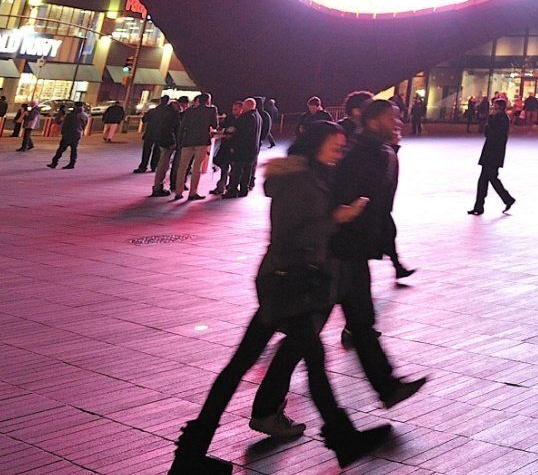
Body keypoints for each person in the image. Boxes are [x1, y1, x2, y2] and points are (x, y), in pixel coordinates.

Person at [169, 122, 394, 474]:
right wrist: (338, 217)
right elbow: (291, 234)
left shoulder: (316, 175)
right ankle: (342, 438)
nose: (339, 153)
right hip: (288, 282)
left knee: (240, 366)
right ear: (316, 145)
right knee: (311, 363)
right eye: (335, 147)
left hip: (287, 282)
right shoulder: (298, 181)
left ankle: (191, 453)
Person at [264, 98, 425, 419]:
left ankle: (387, 386)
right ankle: (268, 407)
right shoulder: (359, 155)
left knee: (362, 324)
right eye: (392, 118)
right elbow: (336, 201)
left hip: (352, 253)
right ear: (375, 121)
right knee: (305, 336)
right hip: (336, 255)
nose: (398, 124)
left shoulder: (377, 152)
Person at [467, 96, 517, 215]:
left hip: (494, 154)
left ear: (500, 108)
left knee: (491, 179)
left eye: (495, 107)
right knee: (484, 180)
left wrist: (490, 120)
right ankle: (479, 206)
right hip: (490, 153)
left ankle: (507, 199)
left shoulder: (502, 119)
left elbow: (493, 133)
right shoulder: (496, 118)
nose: (493, 109)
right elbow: (487, 133)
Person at [172, 92, 219, 200]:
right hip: (202, 141)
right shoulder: (211, 110)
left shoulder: (189, 110)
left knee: (182, 167)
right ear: (208, 100)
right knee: (197, 167)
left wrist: (180, 141)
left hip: (188, 141)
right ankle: (193, 192)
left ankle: (178, 192)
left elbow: (182, 126)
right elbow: (214, 125)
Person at [226, 97, 265, 197]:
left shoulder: (246, 117)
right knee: (247, 170)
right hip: (253, 148)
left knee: (237, 170)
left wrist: (233, 145)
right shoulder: (258, 117)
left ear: (247, 106)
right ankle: (244, 189)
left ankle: (232, 190)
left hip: (242, 148)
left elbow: (241, 134)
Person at [136, 95, 173, 175]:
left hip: (150, 133)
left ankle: (143, 166)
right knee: (157, 151)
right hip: (161, 134)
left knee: (146, 150)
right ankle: (154, 166)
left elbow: (144, 119)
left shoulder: (153, 111)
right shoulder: (168, 112)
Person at [49, 101, 88, 169]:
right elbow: (85, 125)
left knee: (61, 149)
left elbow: (65, 125)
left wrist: (63, 132)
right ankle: (72, 163)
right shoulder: (85, 115)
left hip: (68, 134)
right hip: (77, 134)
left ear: (75, 106)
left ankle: (54, 162)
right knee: (74, 150)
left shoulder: (71, 115)